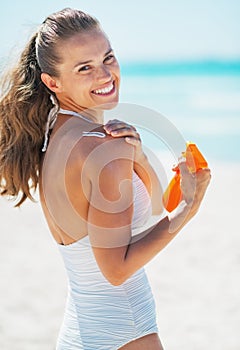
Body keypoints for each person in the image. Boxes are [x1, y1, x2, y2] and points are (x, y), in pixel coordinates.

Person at [0, 7, 211, 350]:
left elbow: (144, 212)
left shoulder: (56, 137)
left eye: (108, 58)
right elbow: (116, 269)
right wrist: (190, 207)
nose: (105, 74)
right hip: (124, 334)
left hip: (79, 332)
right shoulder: (98, 150)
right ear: (52, 82)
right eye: (85, 68)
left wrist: (138, 156)